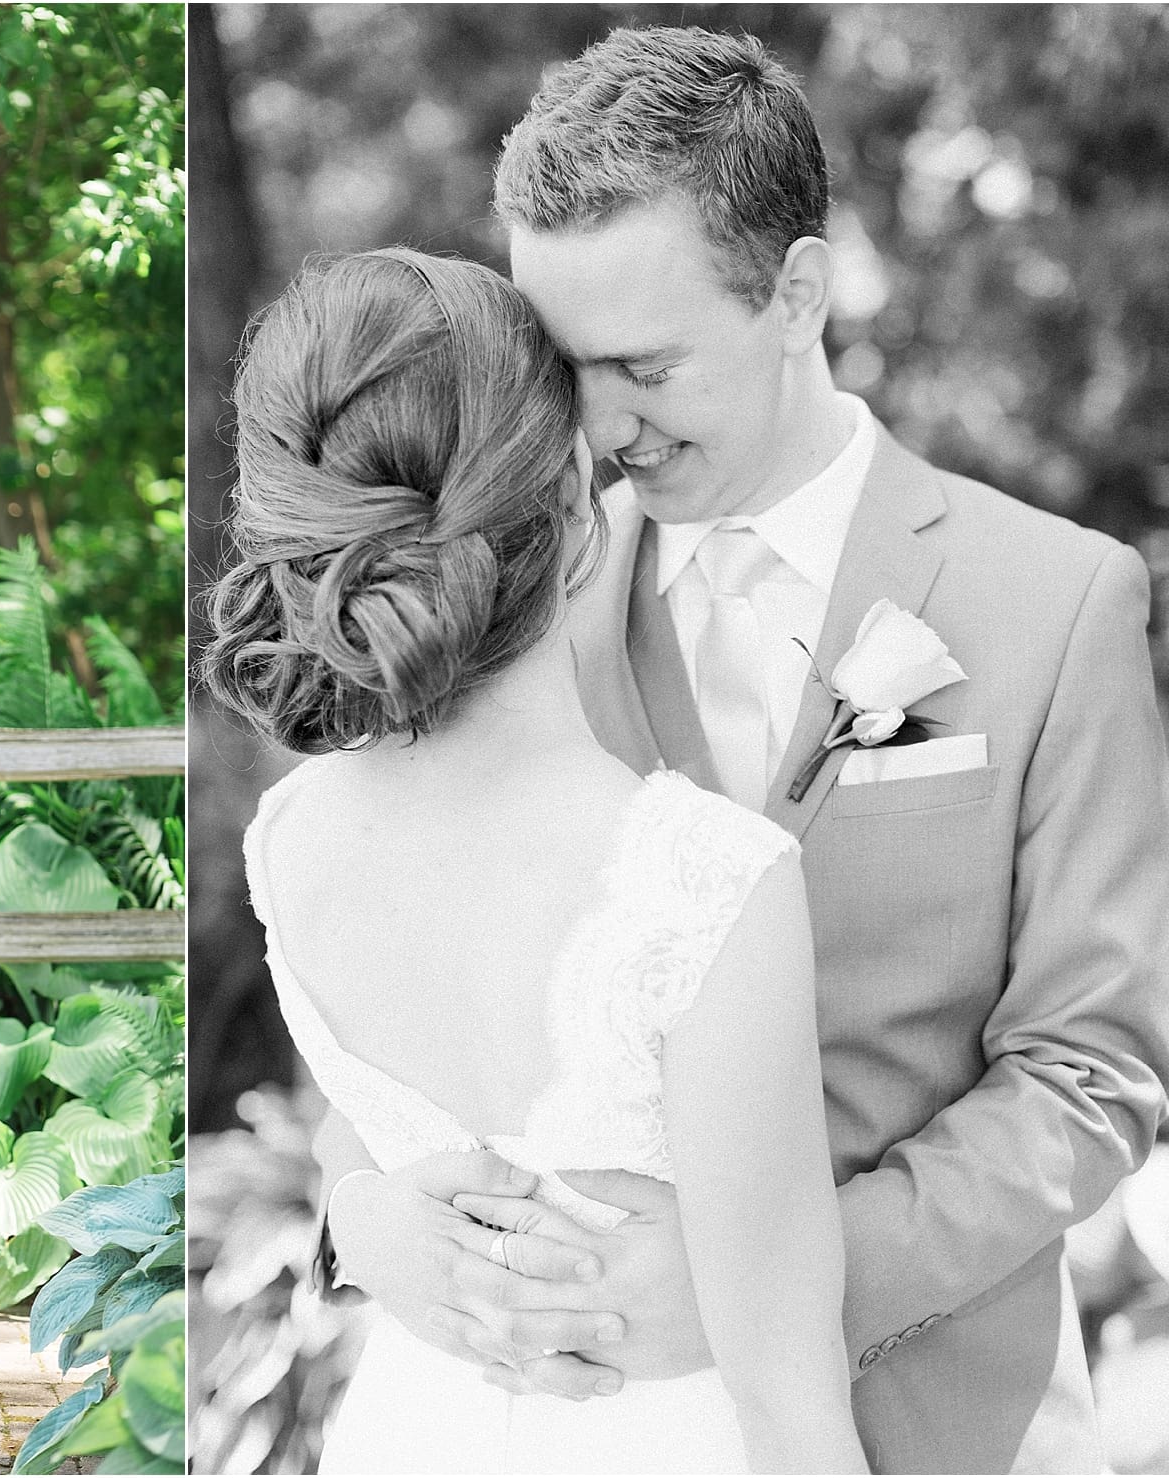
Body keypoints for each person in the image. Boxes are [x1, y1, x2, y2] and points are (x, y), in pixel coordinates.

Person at [311, 27, 1168, 1474]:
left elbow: (1094, 1068)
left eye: (642, 363)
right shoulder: (513, 619)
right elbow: (375, 961)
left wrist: (771, 1283)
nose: (593, 424)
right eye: (559, 365)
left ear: (794, 293)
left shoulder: (1054, 597)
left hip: (951, 1416)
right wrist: (358, 1206)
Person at [203, 246, 868, 1474]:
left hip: (411, 1432)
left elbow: (367, 1126)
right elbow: (788, 1401)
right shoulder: (709, 883)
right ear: (574, 494)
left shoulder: (294, 836)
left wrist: (357, 1210)